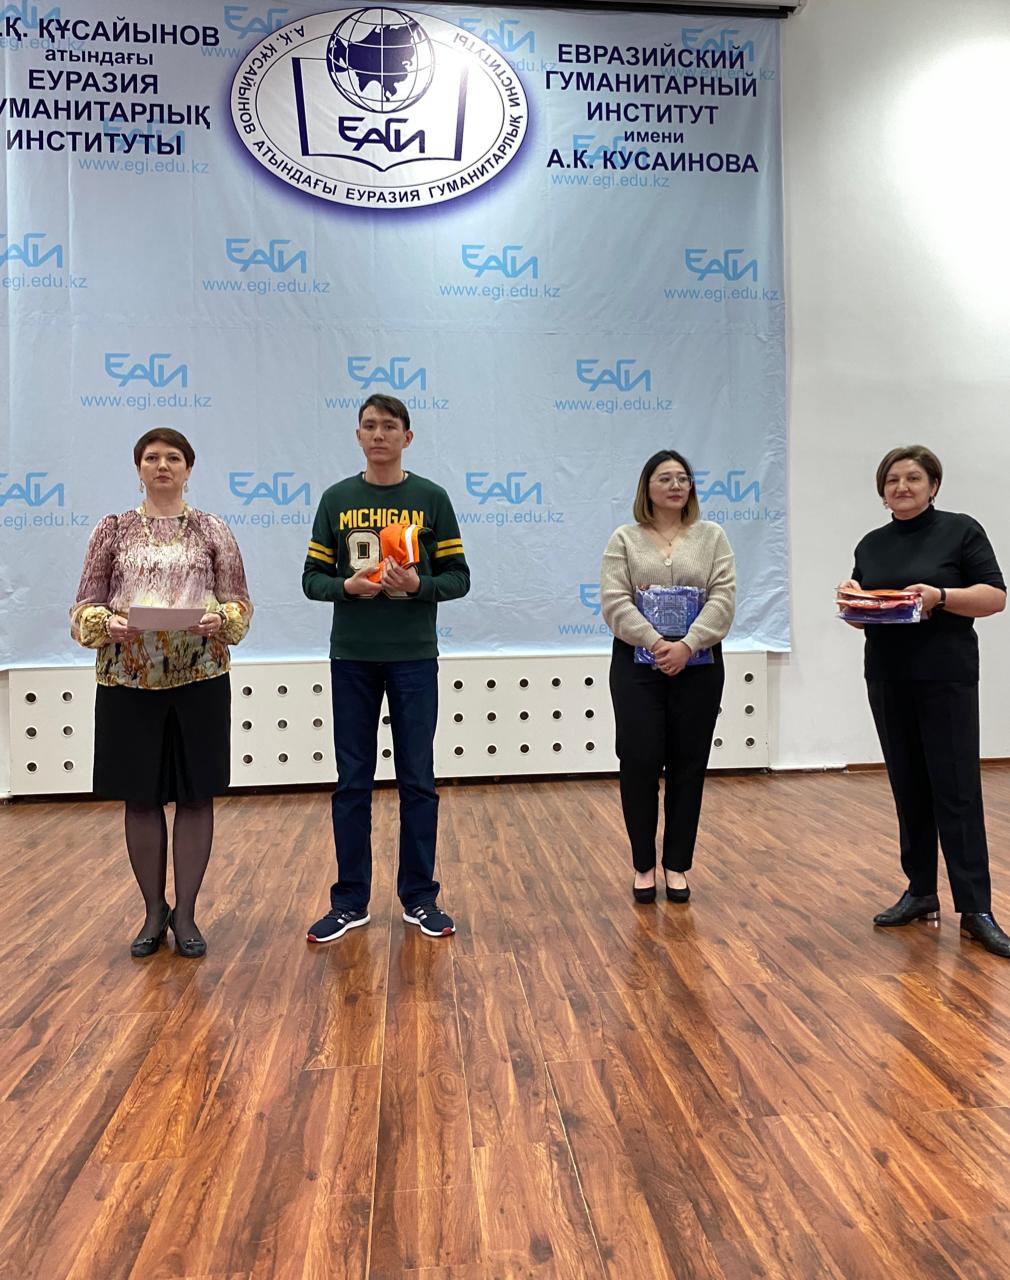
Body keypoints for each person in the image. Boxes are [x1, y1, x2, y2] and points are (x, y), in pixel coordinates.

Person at [71, 428, 252, 958]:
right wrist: (107, 624)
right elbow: (82, 611)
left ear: (189, 469)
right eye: (151, 458)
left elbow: (240, 607)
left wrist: (221, 619)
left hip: (201, 680)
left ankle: (187, 914)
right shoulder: (112, 530)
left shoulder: (214, 530)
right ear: (139, 469)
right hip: (128, 682)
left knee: (197, 796)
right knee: (141, 798)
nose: (162, 465)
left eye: (173, 457)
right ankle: (154, 911)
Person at [302, 393, 470, 943]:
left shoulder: (431, 498)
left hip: (414, 657)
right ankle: (350, 901)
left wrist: (419, 585)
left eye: (389, 426)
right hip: (352, 656)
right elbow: (311, 580)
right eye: (369, 426)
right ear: (358, 436)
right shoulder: (336, 499)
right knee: (352, 782)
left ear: (407, 437)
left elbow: (459, 577)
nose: (379, 434)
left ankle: (420, 897)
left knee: (417, 780)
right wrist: (346, 587)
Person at [839, 445, 1010, 956]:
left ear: (933, 486)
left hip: (946, 678)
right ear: (882, 491)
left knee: (956, 791)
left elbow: (995, 597)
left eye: (913, 478)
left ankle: (976, 908)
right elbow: (865, 615)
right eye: (892, 479)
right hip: (888, 677)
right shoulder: (871, 544)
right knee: (908, 787)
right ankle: (920, 891)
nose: (902, 487)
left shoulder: (961, 531)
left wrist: (941, 596)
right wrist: (853, 599)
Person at [601, 449, 736, 903]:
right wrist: (657, 642)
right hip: (637, 666)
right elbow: (614, 601)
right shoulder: (625, 538)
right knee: (638, 762)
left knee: (688, 766)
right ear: (647, 487)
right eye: (665, 478)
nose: (676, 485)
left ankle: (677, 865)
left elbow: (723, 599)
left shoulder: (712, 536)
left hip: (699, 664)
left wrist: (688, 644)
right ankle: (643, 864)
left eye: (683, 478)